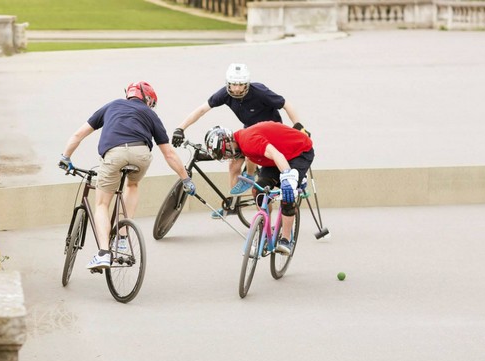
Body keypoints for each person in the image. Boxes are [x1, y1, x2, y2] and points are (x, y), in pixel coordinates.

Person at [60, 81, 195, 271]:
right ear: (147, 99)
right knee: (132, 185)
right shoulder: (150, 114)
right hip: (141, 155)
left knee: (101, 205)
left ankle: (103, 253)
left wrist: (66, 157)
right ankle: (122, 237)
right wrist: (185, 179)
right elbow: (169, 153)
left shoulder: (112, 106)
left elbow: (78, 135)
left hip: (114, 154)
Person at [170, 63, 310, 218]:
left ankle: (251, 177)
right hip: (249, 131)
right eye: (233, 85)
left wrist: (298, 125)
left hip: (270, 134)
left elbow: (286, 104)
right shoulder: (225, 94)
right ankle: (231, 204)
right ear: (228, 84)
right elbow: (202, 109)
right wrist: (180, 128)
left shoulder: (260, 92)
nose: (236, 89)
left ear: (247, 84)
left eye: (240, 85)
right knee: (233, 164)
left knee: (251, 153)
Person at [203, 121, 314, 255]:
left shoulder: (248, 141)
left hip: (298, 152)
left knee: (287, 193)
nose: (227, 156)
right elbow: (250, 160)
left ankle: (286, 239)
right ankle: (266, 228)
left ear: (228, 141)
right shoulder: (240, 145)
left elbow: (276, 154)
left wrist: (286, 177)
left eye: (224, 153)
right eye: (223, 156)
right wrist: (249, 178)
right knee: (258, 191)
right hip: (274, 159)